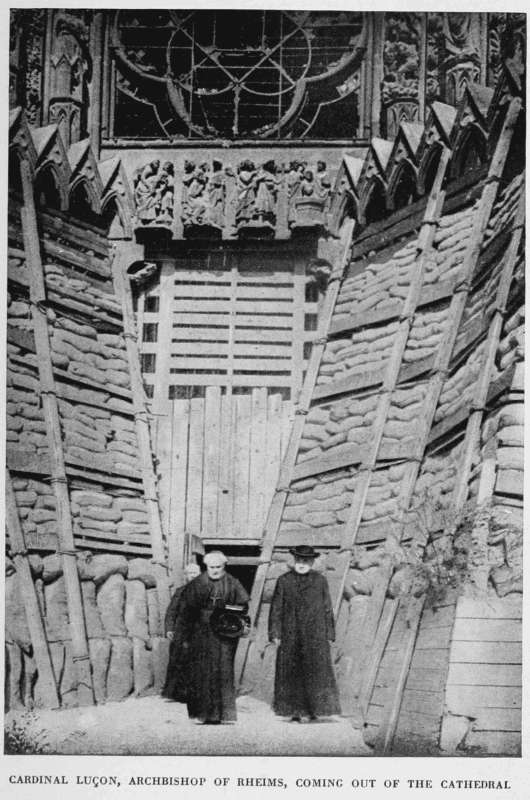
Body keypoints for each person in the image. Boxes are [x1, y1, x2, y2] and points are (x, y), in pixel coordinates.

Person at [269, 544, 341, 722]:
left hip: (314, 634)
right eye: (299, 560)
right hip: (290, 633)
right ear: (294, 561)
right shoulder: (284, 581)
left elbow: (326, 609)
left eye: (306, 560)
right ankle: (293, 711)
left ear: (311, 562)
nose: (301, 563)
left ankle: (312, 711)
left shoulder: (320, 581)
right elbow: (276, 609)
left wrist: (330, 634)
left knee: (314, 671)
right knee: (291, 671)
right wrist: (275, 633)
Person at [175, 550, 249, 724]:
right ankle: (200, 714)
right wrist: (184, 636)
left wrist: (233, 616)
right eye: (211, 567)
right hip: (200, 633)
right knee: (200, 673)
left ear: (224, 566)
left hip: (224, 634)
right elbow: (186, 612)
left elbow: (243, 605)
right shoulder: (197, 583)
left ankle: (223, 715)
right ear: (206, 566)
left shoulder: (233, 583)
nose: (215, 570)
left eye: (218, 567)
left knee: (223, 672)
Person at [162, 562, 201, 701]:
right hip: (182, 632)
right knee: (178, 661)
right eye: (190, 573)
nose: (192, 576)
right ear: (186, 576)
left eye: (195, 573)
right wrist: (169, 628)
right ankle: (175, 694)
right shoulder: (180, 591)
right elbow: (171, 611)